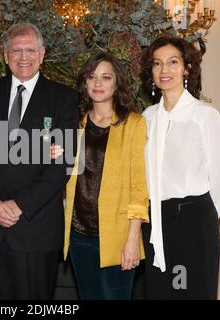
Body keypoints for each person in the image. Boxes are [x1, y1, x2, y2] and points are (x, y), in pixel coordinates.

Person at [0, 22, 79, 299]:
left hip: (36, 229)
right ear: (5, 56)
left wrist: (19, 206)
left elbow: (61, 166)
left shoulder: (63, 99)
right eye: (16, 50)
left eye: (30, 50)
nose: (23, 57)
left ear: (42, 54)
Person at [51, 52, 149, 299]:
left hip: (118, 235)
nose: (97, 84)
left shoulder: (134, 124)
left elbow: (139, 186)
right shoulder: (74, 124)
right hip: (78, 235)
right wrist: (53, 155)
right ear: (84, 82)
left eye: (106, 78)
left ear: (117, 84)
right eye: (92, 77)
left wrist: (132, 240)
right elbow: (63, 176)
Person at [140, 36, 220, 299]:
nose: (164, 70)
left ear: (187, 68)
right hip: (156, 220)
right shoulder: (148, 118)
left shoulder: (204, 115)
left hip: (193, 220)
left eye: (173, 62)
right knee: (159, 293)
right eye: (157, 64)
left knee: (190, 293)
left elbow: (218, 180)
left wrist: (203, 226)